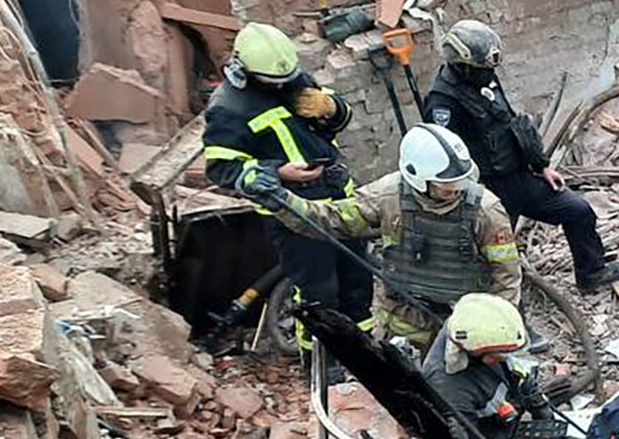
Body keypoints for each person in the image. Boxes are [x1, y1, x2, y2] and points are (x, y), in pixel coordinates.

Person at [237, 122, 521, 348]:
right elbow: (329, 221)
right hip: (403, 321)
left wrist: (498, 331)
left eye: (460, 181)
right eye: (446, 184)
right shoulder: (388, 196)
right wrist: (281, 201)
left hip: (464, 323)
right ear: (417, 179)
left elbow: (506, 276)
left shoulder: (486, 210)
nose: (456, 189)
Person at [201, 23, 371, 360]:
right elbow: (222, 168)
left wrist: (331, 108)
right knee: (318, 292)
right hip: (294, 213)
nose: (283, 86)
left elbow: (335, 123)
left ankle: (365, 357)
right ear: (245, 71)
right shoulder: (228, 108)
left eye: (287, 79)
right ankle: (323, 363)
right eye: (273, 82)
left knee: (358, 282)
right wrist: (275, 172)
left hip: (339, 199)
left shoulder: (293, 79)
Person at [423, 20, 619, 294]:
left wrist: (541, 166)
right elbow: (444, 158)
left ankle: (592, 273)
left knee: (578, 212)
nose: (491, 73)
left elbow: (511, 126)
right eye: (485, 69)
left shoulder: (485, 81)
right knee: (495, 255)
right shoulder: (442, 102)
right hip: (487, 192)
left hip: (519, 178)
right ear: (463, 66)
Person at [421, 293, 569, 439]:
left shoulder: (474, 328)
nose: (506, 358)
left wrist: (539, 405)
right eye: (500, 355)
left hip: (501, 422)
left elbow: (517, 370)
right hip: (488, 434)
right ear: (474, 351)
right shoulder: (450, 390)